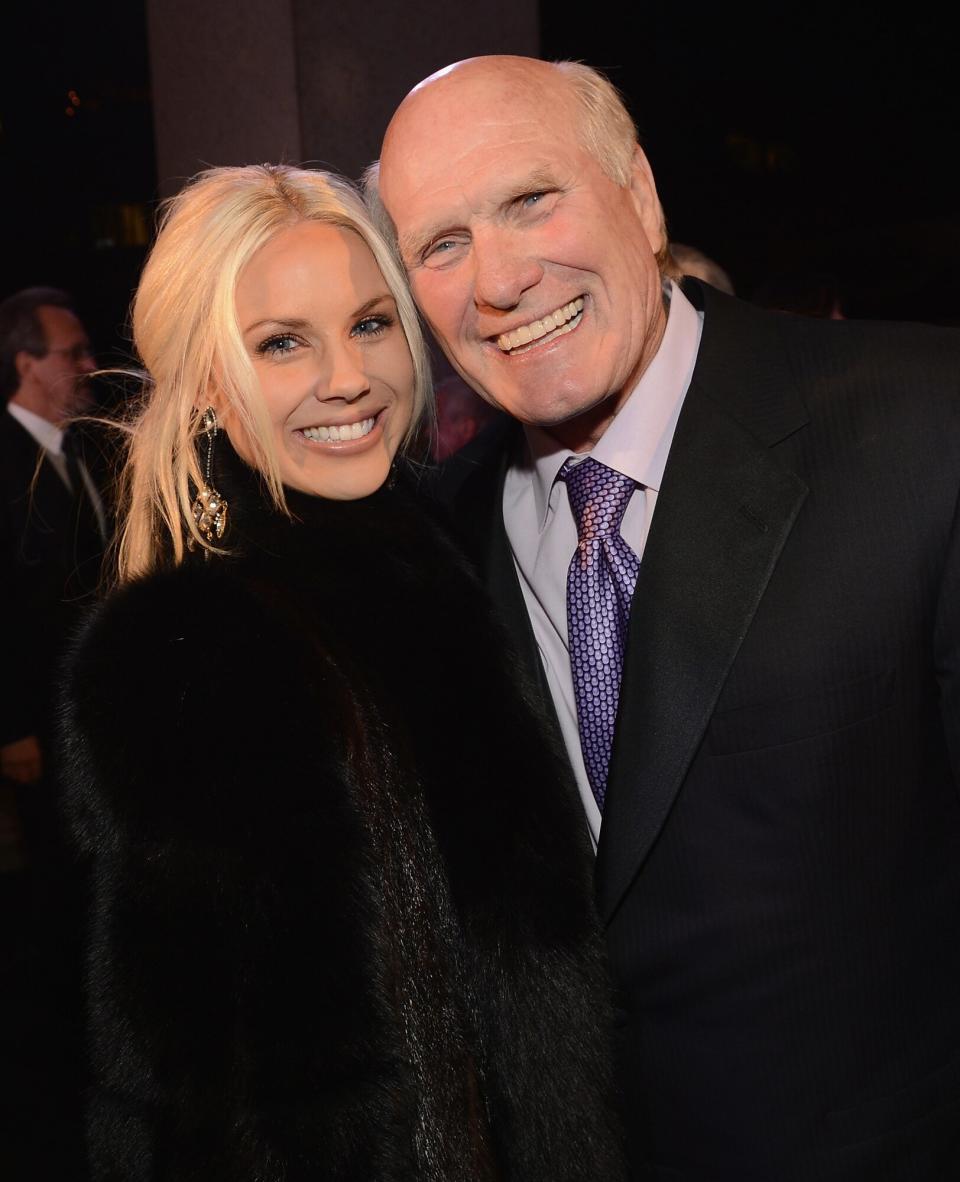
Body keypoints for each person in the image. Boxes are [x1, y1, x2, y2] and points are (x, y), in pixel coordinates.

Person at [370, 56, 960, 1180]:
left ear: (639, 192)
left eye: (529, 200)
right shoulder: (433, 549)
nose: (496, 280)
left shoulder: (923, 428)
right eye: (441, 244)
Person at [58, 164, 623, 1182]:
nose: (350, 378)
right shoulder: (195, 647)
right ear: (209, 384)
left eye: (370, 324)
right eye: (283, 344)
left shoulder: (431, 567)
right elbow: (217, 1103)